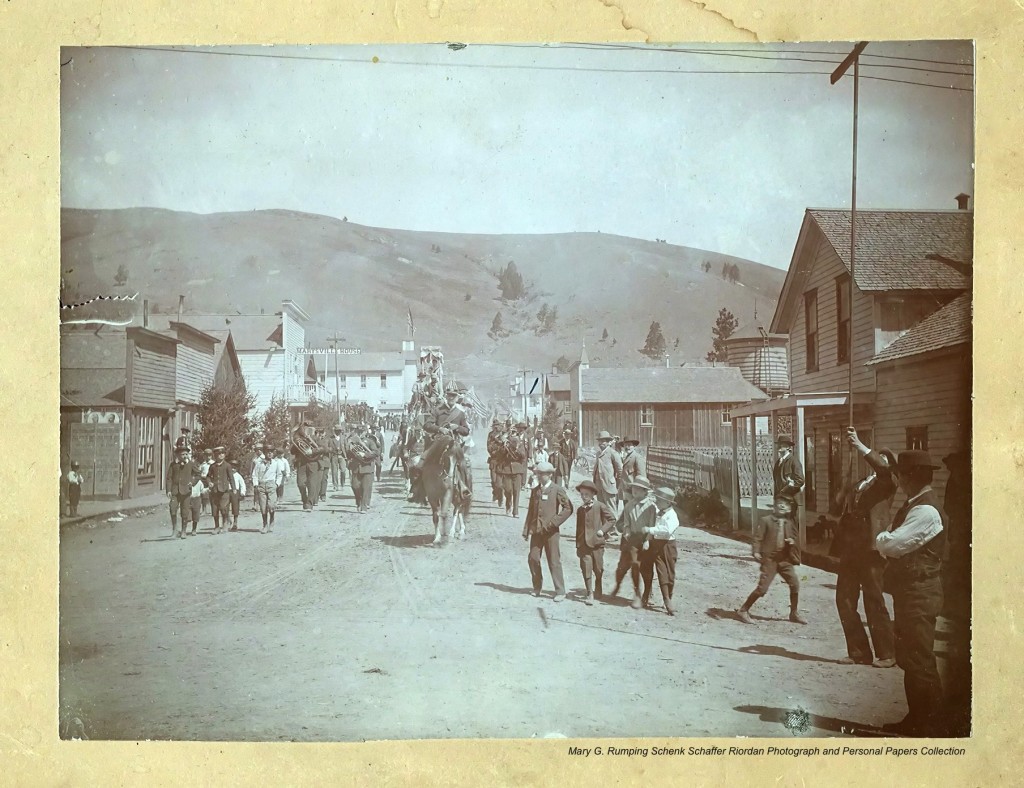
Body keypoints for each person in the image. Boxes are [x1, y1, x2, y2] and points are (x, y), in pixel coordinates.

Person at [876, 450, 946, 737]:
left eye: (902, 475)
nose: (899, 479)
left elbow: (891, 544)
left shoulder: (925, 511)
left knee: (919, 659)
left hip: (920, 592)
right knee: (910, 658)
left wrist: (882, 537)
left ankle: (934, 725)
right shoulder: (914, 504)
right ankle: (918, 719)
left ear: (912, 477)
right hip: (911, 592)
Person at [833, 428, 897, 667]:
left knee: (874, 599)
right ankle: (858, 652)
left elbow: (884, 469)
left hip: (871, 548)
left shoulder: (888, 483)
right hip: (851, 546)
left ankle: (887, 653)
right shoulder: (862, 484)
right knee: (844, 599)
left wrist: (861, 446)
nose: (880, 463)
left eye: (884, 460)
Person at [736, 496, 806, 625]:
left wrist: (791, 541)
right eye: (779, 503)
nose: (782, 506)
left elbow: (794, 537)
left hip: (785, 560)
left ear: (789, 509)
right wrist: (756, 551)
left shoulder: (790, 523)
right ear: (774, 507)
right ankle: (743, 610)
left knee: (795, 584)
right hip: (770, 560)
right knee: (762, 589)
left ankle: (794, 613)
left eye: (785, 505)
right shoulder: (766, 521)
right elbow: (758, 538)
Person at [522, 461, 573, 601]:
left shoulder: (557, 489)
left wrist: (554, 523)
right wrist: (526, 530)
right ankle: (537, 587)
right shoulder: (535, 490)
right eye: (537, 473)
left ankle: (560, 591)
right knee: (533, 558)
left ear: (550, 475)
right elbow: (531, 511)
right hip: (537, 531)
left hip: (551, 532)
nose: (538, 476)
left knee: (554, 561)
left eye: (542, 474)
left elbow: (568, 508)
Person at [609, 476, 657, 609]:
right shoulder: (629, 505)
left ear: (645, 491)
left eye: (639, 489)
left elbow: (652, 526)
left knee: (645, 568)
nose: (635, 491)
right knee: (623, 566)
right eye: (634, 488)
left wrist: (647, 540)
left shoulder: (651, 507)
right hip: (632, 539)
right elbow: (626, 524)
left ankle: (645, 594)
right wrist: (627, 532)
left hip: (646, 539)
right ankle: (621, 587)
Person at [638, 486, 680, 615]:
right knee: (653, 569)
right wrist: (647, 538)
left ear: (668, 503)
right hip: (655, 544)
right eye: (656, 498)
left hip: (667, 546)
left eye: (659, 500)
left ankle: (668, 598)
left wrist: (650, 530)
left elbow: (666, 531)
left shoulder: (671, 515)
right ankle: (655, 595)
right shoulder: (657, 511)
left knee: (668, 573)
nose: (656, 501)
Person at [574, 479, 614, 605]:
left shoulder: (600, 506)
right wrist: (578, 545)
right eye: (581, 494)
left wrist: (603, 530)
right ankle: (589, 592)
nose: (583, 497)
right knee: (586, 567)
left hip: (597, 543)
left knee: (598, 568)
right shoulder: (580, 510)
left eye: (586, 494)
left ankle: (598, 583)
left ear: (592, 494)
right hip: (584, 545)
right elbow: (579, 529)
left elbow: (612, 519)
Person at [166, 447, 200, 538]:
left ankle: (184, 531)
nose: (185, 456)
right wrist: (168, 490)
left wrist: (192, 483)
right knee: (173, 509)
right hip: (175, 491)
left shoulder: (190, 464)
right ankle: (174, 530)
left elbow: (198, 474)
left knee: (185, 511)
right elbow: (169, 478)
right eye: (182, 454)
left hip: (186, 491)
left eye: (186, 454)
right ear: (178, 455)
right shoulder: (173, 465)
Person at [495, 423, 528, 517]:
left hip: (517, 470)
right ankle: (508, 504)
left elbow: (523, 456)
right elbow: (500, 456)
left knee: (516, 491)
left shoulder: (520, 443)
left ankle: (515, 511)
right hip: (507, 469)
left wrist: (516, 449)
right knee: (508, 490)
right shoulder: (505, 443)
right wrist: (504, 447)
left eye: (514, 432)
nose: (513, 434)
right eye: (511, 432)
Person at [346, 423, 380, 513]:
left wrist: (365, 454)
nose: (360, 433)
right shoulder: (352, 441)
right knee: (355, 486)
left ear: (365, 432)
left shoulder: (370, 441)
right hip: (356, 467)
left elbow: (376, 452)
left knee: (365, 488)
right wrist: (348, 446)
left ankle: (364, 506)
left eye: (362, 431)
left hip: (367, 467)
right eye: (358, 431)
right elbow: (348, 455)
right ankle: (358, 501)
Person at [252, 444, 285, 533]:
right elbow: (254, 475)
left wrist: (277, 484)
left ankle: (272, 520)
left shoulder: (275, 463)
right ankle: (265, 524)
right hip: (262, 485)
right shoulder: (259, 463)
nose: (270, 454)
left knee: (271, 505)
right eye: (268, 452)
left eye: (271, 452)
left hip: (271, 485)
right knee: (263, 507)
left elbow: (279, 475)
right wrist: (256, 485)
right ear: (265, 452)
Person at [292, 421, 323, 512]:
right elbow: (292, 452)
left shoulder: (315, 438)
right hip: (302, 463)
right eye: (303, 427)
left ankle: (309, 504)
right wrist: (294, 445)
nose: (304, 429)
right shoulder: (297, 439)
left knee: (312, 485)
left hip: (313, 463)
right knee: (300, 483)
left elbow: (324, 448)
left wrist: (312, 451)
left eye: (305, 427)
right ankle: (304, 498)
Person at [204, 446, 236, 535]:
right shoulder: (212, 466)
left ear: (224, 455)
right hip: (214, 491)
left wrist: (234, 488)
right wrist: (209, 482)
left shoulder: (227, 465)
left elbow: (231, 478)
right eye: (218, 454)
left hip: (224, 491)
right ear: (215, 455)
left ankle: (225, 523)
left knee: (223, 508)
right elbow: (208, 476)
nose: (220, 455)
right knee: (215, 510)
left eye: (222, 453)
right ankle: (216, 526)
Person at [592, 430, 623, 514]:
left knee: (611, 510)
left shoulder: (613, 453)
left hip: (609, 487)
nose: (600, 443)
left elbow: (620, 471)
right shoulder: (598, 454)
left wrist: (616, 484)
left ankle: (613, 526)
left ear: (608, 442)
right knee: (602, 509)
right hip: (599, 486)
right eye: (599, 441)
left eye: (603, 441)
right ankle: (604, 526)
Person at [773, 435, 804, 507]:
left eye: (782, 444)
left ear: (788, 447)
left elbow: (800, 480)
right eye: (778, 444)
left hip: (789, 499)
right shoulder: (778, 462)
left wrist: (788, 489)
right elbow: (776, 480)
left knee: (789, 518)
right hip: (779, 500)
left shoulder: (793, 461)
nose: (779, 446)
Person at [228, 459, 246, 531]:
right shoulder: (227, 475)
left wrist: (242, 492)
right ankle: (227, 520)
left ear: (237, 468)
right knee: (225, 507)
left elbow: (242, 484)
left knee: (235, 507)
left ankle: (235, 522)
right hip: (227, 491)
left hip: (235, 492)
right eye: (231, 468)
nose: (233, 469)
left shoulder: (238, 476)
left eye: (234, 468)